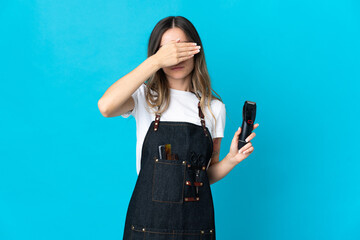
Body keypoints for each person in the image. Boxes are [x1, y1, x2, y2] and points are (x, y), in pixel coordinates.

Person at [98, 16, 259, 240]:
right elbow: (105, 106)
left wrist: (232, 159)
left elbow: (205, 175)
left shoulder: (214, 108)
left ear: (196, 50)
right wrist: (155, 62)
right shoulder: (145, 98)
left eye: (182, 47)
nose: (175, 56)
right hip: (147, 227)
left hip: (195, 228)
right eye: (167, 50)